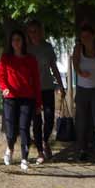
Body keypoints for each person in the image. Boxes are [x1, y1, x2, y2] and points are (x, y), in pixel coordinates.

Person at [0, 28, 40, 168]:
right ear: (11, 42)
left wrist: (38, 103)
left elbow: (37, 82)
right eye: (14, 40)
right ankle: (10, 148)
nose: (16, 43)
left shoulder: (30, 59)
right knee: (11, 128)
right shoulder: (5, 58)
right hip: (11, 98)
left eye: (18, 40)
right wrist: (5, 88)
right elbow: (0, 77)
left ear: (23, 42)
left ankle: (24, 158)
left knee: (24, 127)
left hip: (27, 98)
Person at [24, 18, 63, 162]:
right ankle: (40, 150)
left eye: (36, 31)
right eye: (30, 32)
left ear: (41, 32)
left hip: (47, 87)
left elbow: (54, 67)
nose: (33, 34)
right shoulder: (26, 49)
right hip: (32, 90)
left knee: (49, 117)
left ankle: (45, 140)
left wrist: (60, 85)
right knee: (37, 121)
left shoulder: (47, 47)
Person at [69, 22, 95, 163]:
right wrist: (80, 72)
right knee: (82, 121)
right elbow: (75, 65)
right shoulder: (78, 49)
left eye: (87, 36)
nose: (85, 39)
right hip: (82, 90)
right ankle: (82, 150)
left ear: (93, 36)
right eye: (82, 37)